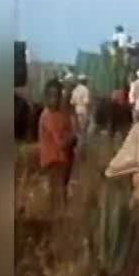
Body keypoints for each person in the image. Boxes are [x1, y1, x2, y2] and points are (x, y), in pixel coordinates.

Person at [38, 80, 76, 216]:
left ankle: (57, 226)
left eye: (59, 95)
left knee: (60, 195)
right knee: (58, 200)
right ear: (46, 97)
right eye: (53, 96)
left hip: (63, 161)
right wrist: (75, 136)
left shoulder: (60, 114)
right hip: (54, 161)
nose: (56, 99)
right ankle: (57, 228)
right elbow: (62, 143)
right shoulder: (48, 116)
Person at [70, 74, 91, 140]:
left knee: (76, 130)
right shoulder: (85, 89)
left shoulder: (74, 90)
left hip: (76, 112)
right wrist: (88, 115)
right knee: (82, 131)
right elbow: (86, 102)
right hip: (83, 112)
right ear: (84, 81)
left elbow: (72, 103)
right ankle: (81, 145)